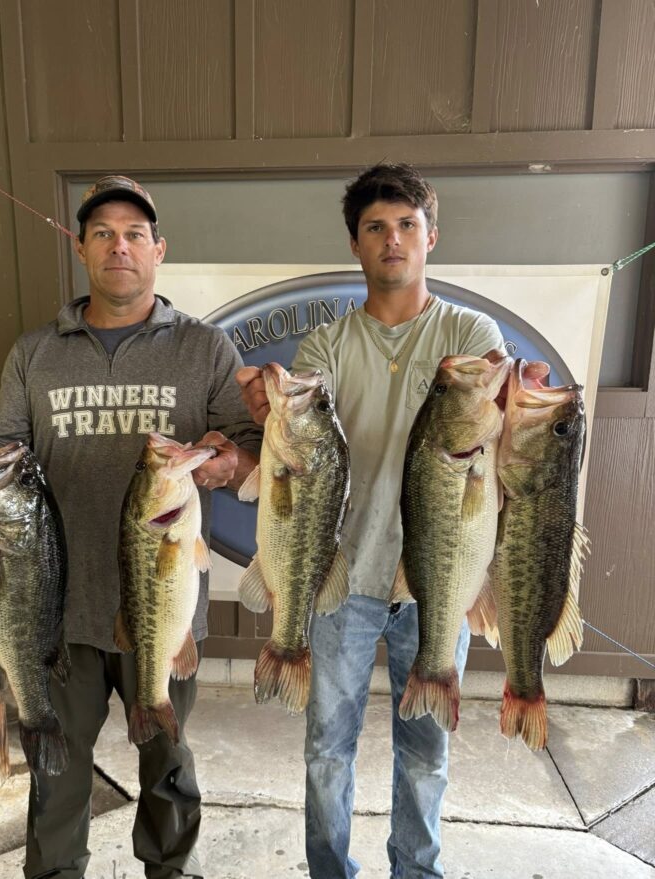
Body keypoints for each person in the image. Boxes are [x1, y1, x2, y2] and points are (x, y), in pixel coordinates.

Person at [0, 175, 261, 879]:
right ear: (80, 248)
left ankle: (171, 872)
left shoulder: (204, 348)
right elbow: (6, 449)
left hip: (166, 607)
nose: (120, 246)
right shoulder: (34, 353)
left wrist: (227, 459)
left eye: (135, 234)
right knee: (57, 777)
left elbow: (249, 453)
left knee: (169, 765)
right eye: (103, 234)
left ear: (159, 250)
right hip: (56, 610)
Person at [237, 163, 505, 878]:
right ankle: (330, 870)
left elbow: (496, 438)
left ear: (432, 236)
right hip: (341, 574)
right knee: (327, 745)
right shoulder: (325, 346)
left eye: (407, 225)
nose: (393, 239)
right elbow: (305, 440)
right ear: (355, 243)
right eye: (376, 228)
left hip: (436, 577)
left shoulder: (469, 332)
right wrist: (270, 416)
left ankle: (416, 871)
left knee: (426, 752)